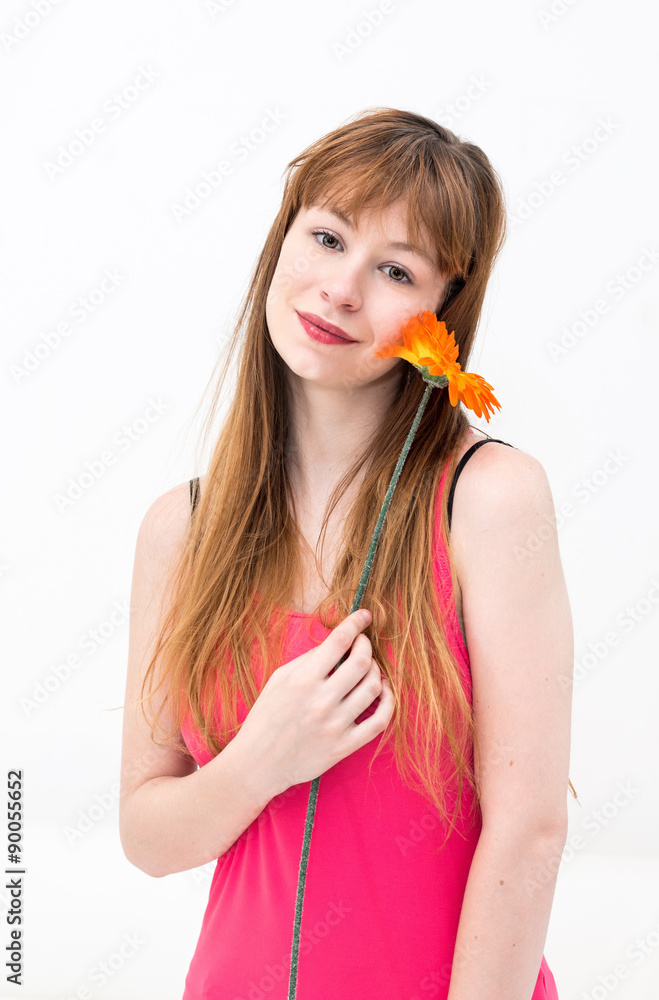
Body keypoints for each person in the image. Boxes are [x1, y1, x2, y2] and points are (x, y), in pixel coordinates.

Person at [118, 107, 576, 999]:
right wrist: (262, 758)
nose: (340, 289)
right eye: (327, 237)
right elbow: (147, 835)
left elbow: (529, 831)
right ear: (280, 242)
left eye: (395, 269)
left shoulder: (486, 500)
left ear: (441, 311)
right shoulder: (179, 530)